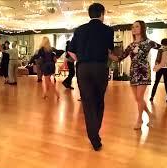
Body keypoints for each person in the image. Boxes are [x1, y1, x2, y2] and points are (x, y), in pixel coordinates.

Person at [68, 3, 117, 151]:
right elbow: (110, 51)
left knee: (87, 103)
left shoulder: (80, 29)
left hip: (83, 68)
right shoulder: (108, 30)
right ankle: (95, 134)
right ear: (102, 13)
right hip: (100, 68)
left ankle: (93, 137)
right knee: (99, 101)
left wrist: (80, 59)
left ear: (89, 14)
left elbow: (70, 51)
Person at [117, 20, 161, 130]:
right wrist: (107, 54)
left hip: (144, 71)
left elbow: (164, 49)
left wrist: (160, 64)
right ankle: (150, 115)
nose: (134, 28)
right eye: (133, 27)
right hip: (133, 72)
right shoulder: (131, 45)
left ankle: (139, 119)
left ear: (142, 28)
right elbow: (120, 58)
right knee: (138, 99)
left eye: (137, 26)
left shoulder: (148, 42)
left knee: (139, 97)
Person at [150, 38, 167, 103]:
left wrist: (156, 66)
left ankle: (152, 97)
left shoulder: (160, 50)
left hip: (160, 68)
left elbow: (157, 59)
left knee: (156, 83)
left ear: (162, 43)